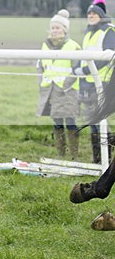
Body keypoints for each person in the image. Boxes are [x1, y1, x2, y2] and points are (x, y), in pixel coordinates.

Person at [36, 9, 81, 159]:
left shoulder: (73, 46)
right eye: (53, 28)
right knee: (56, 122)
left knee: (70, 121)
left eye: (58, 28)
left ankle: (74, 154)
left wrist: (65, 84)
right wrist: (42, 83)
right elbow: (40, 66)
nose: (54, 31)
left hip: (67, 91)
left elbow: (77, 69)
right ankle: (61, 153)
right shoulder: (45, 45)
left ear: (65, 29)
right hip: (50, 90)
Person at [74, 0, 115, 164]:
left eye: (94, 13)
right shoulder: (88, 33)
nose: (90, 16)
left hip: (103, 82)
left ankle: (107, 159)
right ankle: (98, 159)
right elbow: (85, 55)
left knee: (101, 122)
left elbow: (106, 57)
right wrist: (77, 67)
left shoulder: (108, 31)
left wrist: (83, 69)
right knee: (93, 121)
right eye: (88, 13)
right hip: (88, 82)